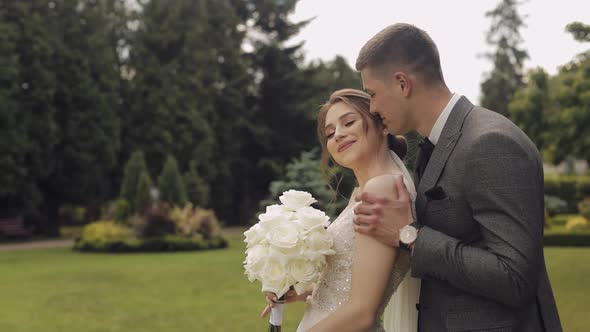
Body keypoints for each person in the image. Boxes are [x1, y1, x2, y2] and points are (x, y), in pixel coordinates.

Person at [352, 23, 562, 331]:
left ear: (402, 84)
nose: (372, 107)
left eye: (372, 94)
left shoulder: (489, 143)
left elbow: (515, 277)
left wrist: (409, 234)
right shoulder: (441, 142)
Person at [262, 88, 420, 331]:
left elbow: (362, 312)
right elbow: (351, 283)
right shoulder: (362, 192)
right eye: (330, 132)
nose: (337, 135)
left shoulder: (382, 189)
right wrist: (306, 292)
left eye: (348, 122)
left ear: (383, 125)